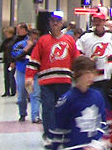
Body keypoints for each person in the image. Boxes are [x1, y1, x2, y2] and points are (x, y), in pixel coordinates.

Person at [53, 56, 109, 150]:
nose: (90, 76)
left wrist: (98, 144)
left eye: (92, 72)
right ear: (77, 74)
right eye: (86, 73)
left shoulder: (97, 95)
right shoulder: (67, 99)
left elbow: (103, 121)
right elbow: (59, 127)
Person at [26, 12, 79, 141]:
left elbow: (76, 59)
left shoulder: (69, 40)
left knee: (64, 107)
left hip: (64, 81)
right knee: (48, 108)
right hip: (47, 82)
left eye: (58, 21)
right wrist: (29, 77)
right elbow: (34, 60)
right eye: (53, 21)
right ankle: (49, 134)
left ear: (62, 23)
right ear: (49, 22)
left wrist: (80, 74)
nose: (55, 23)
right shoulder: (43, 41)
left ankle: (63, 132)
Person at [76, 13, 112, 94]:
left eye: (100, 20)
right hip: (91, 79)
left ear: (104, 22)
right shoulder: (85, 37)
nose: (97, 23)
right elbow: (77, 54)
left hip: (107, 78)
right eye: (95, 20)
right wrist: (87, 61)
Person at [12, 25, 40, 122]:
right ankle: (22, 113)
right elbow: (16, 56)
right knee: (21, 96)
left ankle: (35, 116)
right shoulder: (20, 44)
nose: (34, 40)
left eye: (36, 38)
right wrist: (27, 48)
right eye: (33, 37)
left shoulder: (39, 46)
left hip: (35, 73)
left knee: (35, 94)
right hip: (22, 71)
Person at [0, 26, 17, 97]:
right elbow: (1, 48)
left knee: (11, 76)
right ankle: (6, 91)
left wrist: (14, 61)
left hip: (12, 61)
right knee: (6, 76)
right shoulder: (6, 41)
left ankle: (13, 91)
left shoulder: (15, 40)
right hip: (6, 60)